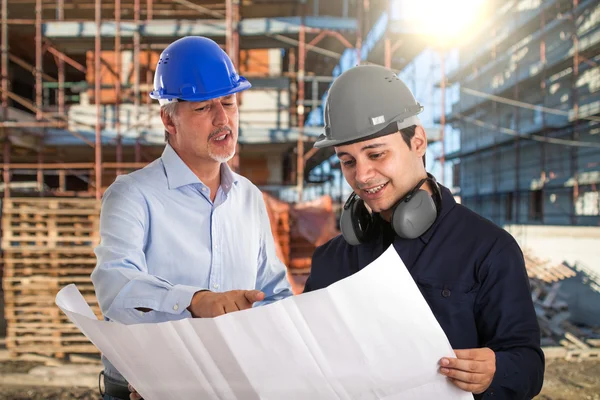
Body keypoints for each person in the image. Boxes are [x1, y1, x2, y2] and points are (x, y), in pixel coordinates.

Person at [303, 65, 544, 399]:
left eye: (376, 154)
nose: (362, 175)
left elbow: (528, 366)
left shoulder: (489, 249)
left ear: (417, 141)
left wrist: (497, 370)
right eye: (347, 161)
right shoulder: (330, 259)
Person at [91, 36, 292, 400]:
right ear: (169, 119)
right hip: (146, 389)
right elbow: (116, 288)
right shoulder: (132, 195)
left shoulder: (248, 197)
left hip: (231, 386)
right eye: (202, 109)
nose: (223, 119)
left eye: (229, 103)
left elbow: (275, 294)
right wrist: (195, 300)